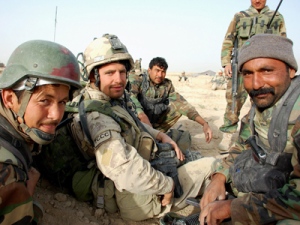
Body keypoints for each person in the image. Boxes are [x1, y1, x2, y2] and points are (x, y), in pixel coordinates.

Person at [58, 33, 216, 221]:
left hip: (140, 169)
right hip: (132, 195)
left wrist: (160, 135)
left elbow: (134, 120)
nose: (119, 79)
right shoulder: (97, 116)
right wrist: (166, 185)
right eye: (110, 73)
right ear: (93, 75)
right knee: (214, 167)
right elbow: (123, 168)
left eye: (122, 72)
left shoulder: (109, 98)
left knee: (184, 149)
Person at [199, 34, 300, 225]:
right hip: (269, 180)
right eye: (247, 74)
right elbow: (242, 145)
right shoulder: (262, 104)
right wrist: (219, 177)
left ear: (291, 70)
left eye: (267, 71)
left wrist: (234, 208)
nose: (256, 84)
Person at [0, 40, 81, 224]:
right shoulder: (6, 174)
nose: (56, 115)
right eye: (45, 100)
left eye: (62, 102)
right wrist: (27, 197)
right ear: (9, 98)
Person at [218, 0, 287, 152]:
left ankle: (253, 136)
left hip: (265, 69)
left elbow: (283, 44)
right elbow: (228, 40)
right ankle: (228, 133)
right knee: (234, 100)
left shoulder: (276, 17)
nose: (257, 1)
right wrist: (226, 63)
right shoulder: (240, 16)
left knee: (262, 102)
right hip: (241, 67)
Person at [127, 57, 212, 143]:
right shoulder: (137, 79)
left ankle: (158, 134)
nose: (160, 75)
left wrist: (204, 124)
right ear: (149, 70)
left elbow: (182, 103)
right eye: (157, 70)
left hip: (156, 123)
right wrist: (142, 115)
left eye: (163, 72)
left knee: (178, 107)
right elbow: (131, 98)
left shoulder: (167, 85)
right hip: (138, 123)